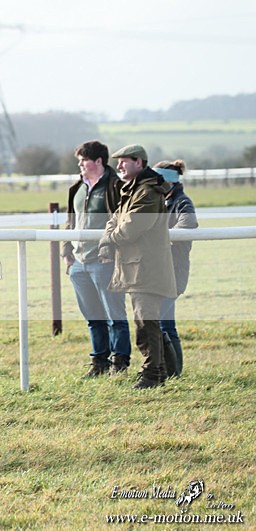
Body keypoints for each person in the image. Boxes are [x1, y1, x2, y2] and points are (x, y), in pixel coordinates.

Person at [99, 144, 177, 389]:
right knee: (145, 322)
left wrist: (109, 237)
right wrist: (112, 232)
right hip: (136, 267)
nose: (119, 166)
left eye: (124, 161)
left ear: (140, 163)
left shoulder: (147, 192)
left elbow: (129, 228)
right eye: (118, 161)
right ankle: (162, 370)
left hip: (147, 268)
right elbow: (113, 221)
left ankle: (153, 374)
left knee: (146, 323)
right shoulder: (133, 190)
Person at [62, 140, 131, 377]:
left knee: (115, 316)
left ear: (98, 161)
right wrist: (66, 252)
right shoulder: (76, 189)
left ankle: (119, 362)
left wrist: (110, 251)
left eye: (84, 160)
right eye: (79, 161)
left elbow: (121, 222)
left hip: (104, 262)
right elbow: (69, 223)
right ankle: (99, 363)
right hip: (79, 263)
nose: (80, 164)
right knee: (93, 317)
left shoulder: (115, 186)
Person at [153, 160, 198, 377]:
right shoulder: (160, 200)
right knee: (161, 323)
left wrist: (160, 240)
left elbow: (188, 225)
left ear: (167, 182)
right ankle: (166, 369)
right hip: (159, 271)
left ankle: (174, 371)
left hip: (173, 271)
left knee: (166, 325)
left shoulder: (182, 202)